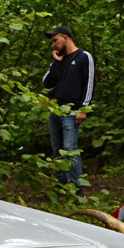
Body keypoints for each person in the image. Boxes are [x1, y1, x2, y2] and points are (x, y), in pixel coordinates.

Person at [41, 26, 95, 186]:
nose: (53, 45)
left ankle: (78, 188)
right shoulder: (59, 60)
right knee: (57, 150)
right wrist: (56, 63)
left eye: (55, 41)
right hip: (55, 110)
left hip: (72, 111)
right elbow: (47, 83)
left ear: (65, 38)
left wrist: (83, 109)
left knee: (70, 149)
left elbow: (89, 83)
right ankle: (61, 186)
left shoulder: (84, 57)